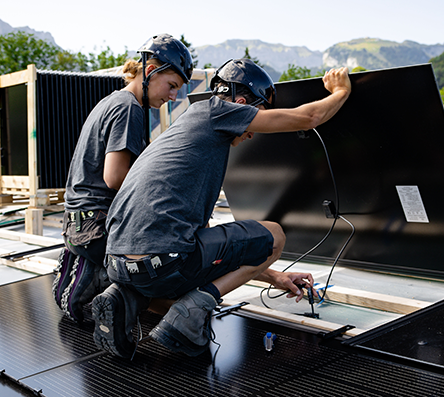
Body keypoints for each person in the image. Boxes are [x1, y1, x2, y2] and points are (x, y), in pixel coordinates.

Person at [92, 58, 352, 357]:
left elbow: (212, 251)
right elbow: (309, 117)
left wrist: (275, 276)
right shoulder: (214, 111)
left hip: (119, 265)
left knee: (181, 263)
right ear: (241, 104)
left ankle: (124, 297)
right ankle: (190, 313)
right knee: (274, 235)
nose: (253, 132)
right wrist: (340, 92)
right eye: (259, 115)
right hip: (161, 263)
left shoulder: (186, 135)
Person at [52, 34, 193, 322]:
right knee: (174, 270)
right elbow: (116, 177)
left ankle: (91, 270)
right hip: (98, 227)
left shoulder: (113, 101)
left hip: (77, 225)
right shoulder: (129, 109)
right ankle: (107, 283)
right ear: (151, 71)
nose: (173, 97)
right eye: (172, 86)